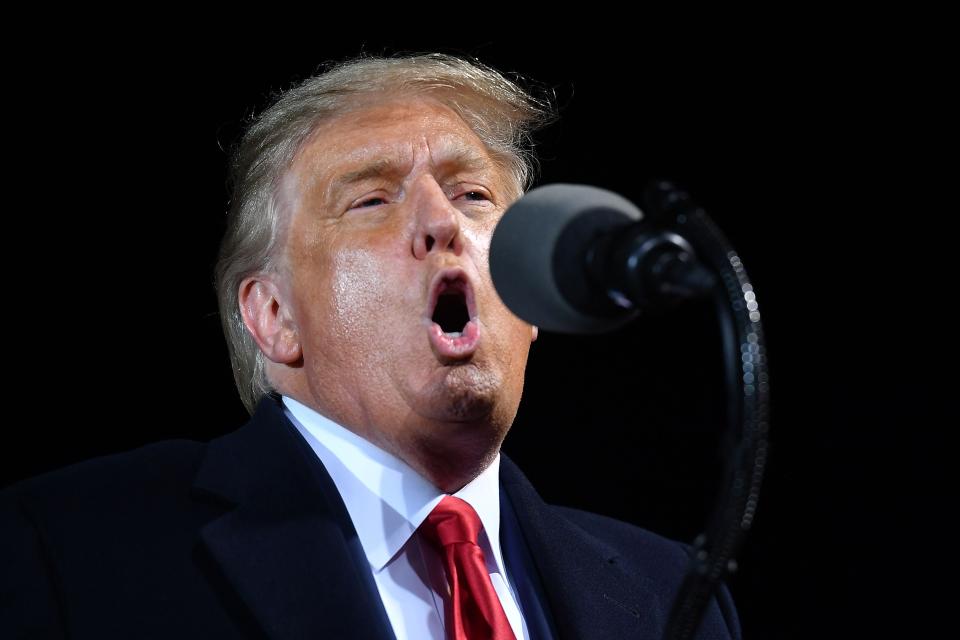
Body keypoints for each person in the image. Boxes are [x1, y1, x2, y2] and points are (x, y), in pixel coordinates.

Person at [1, 53, 741, 639]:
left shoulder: (670, 590)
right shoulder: (70, 548)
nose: (440, 221)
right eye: (372, 198)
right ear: (273, 317)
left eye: (473, 194)